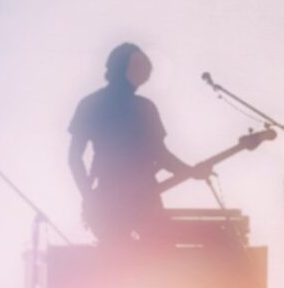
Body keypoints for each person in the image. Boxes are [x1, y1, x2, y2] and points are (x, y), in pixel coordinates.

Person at [68, 43, 207, 244]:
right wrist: (191, 171)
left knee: (119, 261)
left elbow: (74, 158)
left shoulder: (91, 103)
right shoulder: (144, 107)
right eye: (139, 66)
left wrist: (89, 198)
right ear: (123, 68)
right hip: (140, 197)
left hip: (112, 197)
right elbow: (162, 156)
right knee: (159, 258)